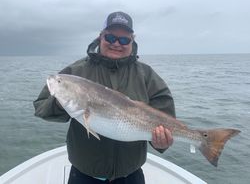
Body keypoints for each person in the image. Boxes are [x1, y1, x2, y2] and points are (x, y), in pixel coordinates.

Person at [33, 11, 176, 184]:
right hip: (84, 175)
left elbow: (167, 118)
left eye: (124, 40)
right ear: (100, 37)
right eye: (110, 38)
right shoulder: (75, 72)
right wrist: (61, 103)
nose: (116, 43)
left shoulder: (147, 75)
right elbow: (41, 106)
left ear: (132, 41)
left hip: (131, 176)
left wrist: (162, 142)